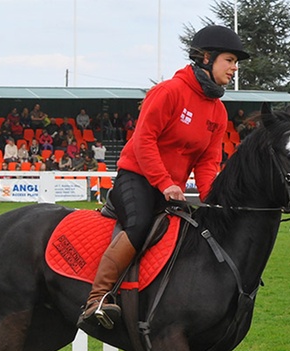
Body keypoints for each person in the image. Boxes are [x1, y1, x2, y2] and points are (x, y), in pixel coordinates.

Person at [78, 24, 249, 330]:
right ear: (207, 58)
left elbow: (208, 162)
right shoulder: (168, 91)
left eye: (235, 63)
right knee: (140, 223)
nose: (234, 68)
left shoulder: (218, 112)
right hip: (137, 178)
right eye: (230, 60)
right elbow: (143, 141)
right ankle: (98, 297)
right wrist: (165, 182)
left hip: (171, 190)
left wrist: (214, 200)